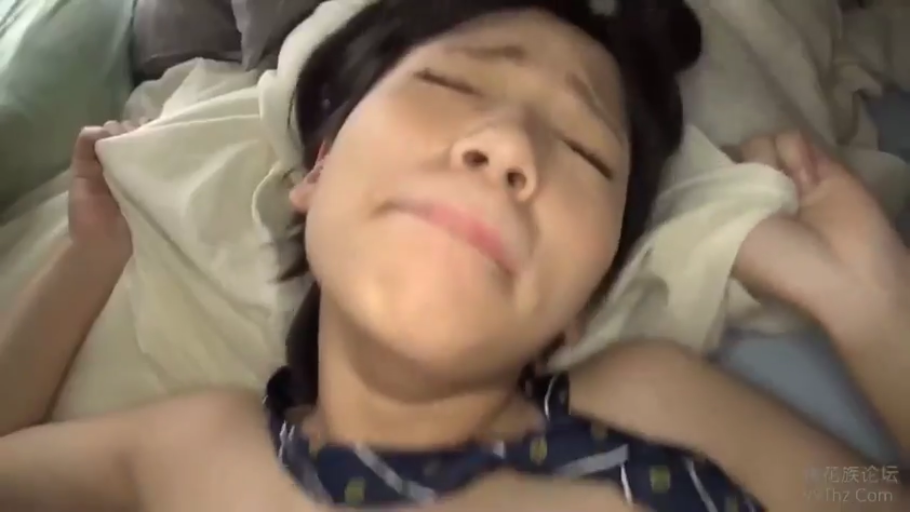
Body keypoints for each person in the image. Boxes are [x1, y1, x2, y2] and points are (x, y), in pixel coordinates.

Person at [0, 0, 907, 510]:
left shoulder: (656, 405)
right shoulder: (189, 453)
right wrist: (89, 260)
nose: (508, 145)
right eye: (449, 83)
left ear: (585, 300)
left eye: (583, 149)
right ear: (318, 168)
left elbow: (867, 490)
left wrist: (871, 311)